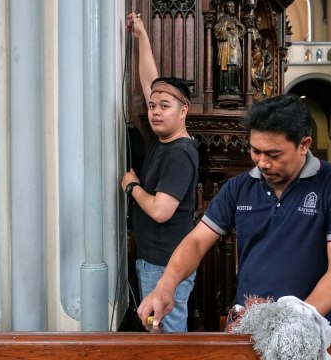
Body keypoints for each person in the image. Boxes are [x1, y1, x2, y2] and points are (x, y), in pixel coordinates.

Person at [137, 94, 331, 331]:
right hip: (249, 320)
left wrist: (299, 318)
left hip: (309, 322)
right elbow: (196, 241)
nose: (262, 163)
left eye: (274, 155)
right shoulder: (240, 186)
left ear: (304, 145)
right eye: (255, 151)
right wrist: (166, 285)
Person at [123, 12, 200, 332]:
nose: (155, 110)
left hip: (164, 265)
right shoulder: (165, 140)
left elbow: (161, 210)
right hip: (157, 260)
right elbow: (150, 82)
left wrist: (132, 187)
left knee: (165, 335)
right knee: (158, 331)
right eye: (152, 105)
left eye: (164, 106)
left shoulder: (180, 153)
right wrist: (141, 36)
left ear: (183, 111)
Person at [214, 0, 245, 94]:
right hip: (226, 48)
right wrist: (226, 27)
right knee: (226, 67)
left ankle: (235, 87)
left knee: (235, 67)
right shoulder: (222, 19)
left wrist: (240, 26)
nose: (233, 8)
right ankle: (225, 88)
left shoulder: (236, 19)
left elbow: (242, 34)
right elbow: (216, 31)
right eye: (230, 6)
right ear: (226, 8)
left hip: (235, 48)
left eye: (233, 7)